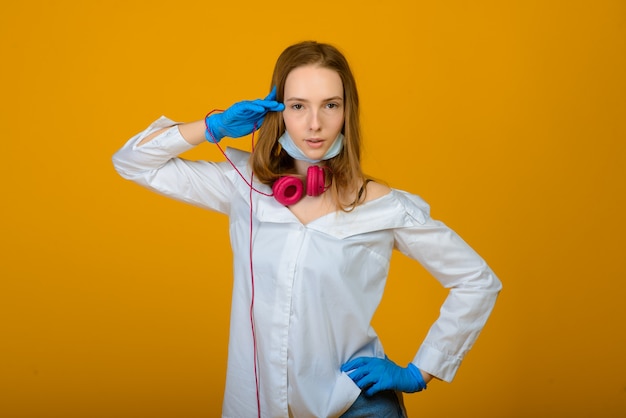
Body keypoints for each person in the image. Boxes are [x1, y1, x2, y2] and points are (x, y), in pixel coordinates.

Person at [112, 41, 502, 418]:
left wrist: (420, 371)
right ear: (278, 110)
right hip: (255, 406)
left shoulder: (383, 206)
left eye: (330, 105)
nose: (314, 124)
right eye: (298, 106)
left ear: (347, 112)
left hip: (355, 406)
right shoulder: (243, 185)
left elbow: (476, 280)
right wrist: (211, 126)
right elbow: (132, 163)